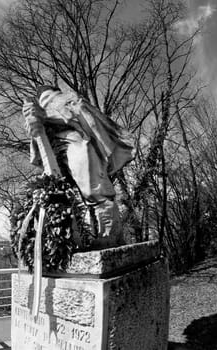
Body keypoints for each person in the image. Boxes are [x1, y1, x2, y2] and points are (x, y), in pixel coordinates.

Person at [23, 85, 134, 247]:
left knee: (93, 189)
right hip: (56, 150)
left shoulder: (63, 98)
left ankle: (108, 234)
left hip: (77, 142)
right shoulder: (41, 108)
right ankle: (84, 236)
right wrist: (34, 126)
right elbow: (37, 139)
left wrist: (42, 116)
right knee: (66, 193)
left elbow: (74, 111)